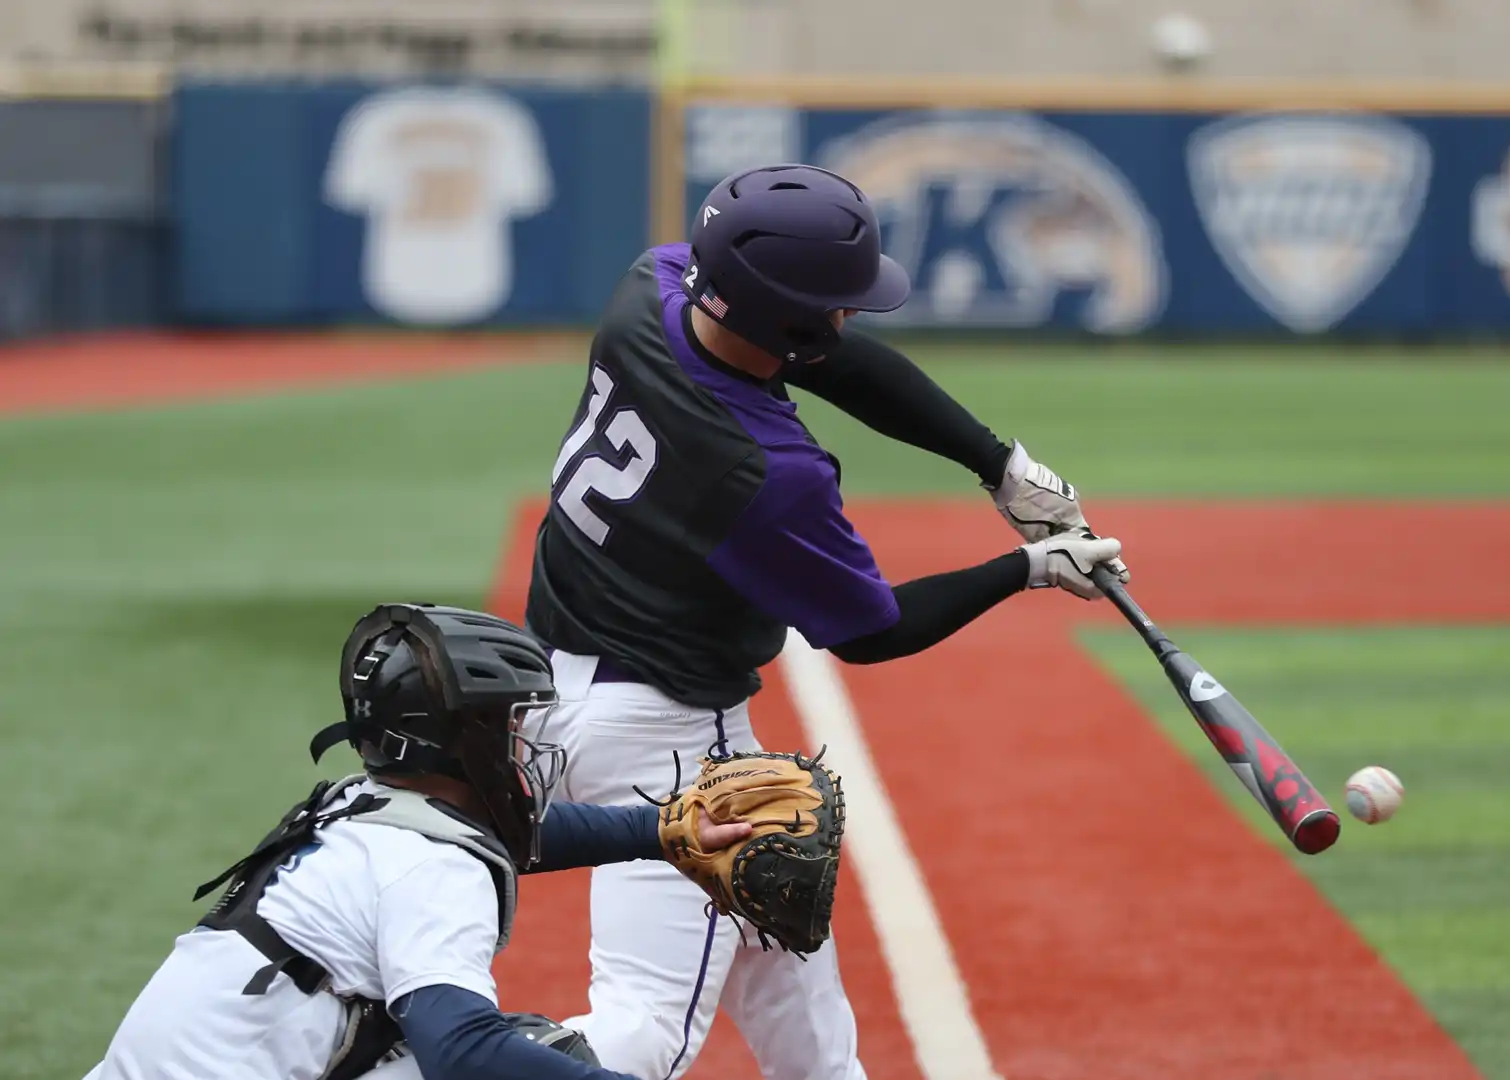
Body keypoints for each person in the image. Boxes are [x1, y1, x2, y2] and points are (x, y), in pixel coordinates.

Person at [526, 163, 1126, 1079]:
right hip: (666, 742)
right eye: (836, 303)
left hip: (551, 688)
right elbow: (870, 630)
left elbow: (821, 352)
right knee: (646, 1029)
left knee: (785, 960)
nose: (851, 316)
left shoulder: (650, 286)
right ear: (789, 320)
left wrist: (996, 464)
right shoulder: (765, 474)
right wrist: (1029, 567)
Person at [84, 603, 756, 1080]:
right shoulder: (433, 871)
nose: (518, 742)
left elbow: (516, 834)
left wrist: (666, 829)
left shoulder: (357, 804)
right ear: (457, 742)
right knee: (532, 1057)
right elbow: (458, 1049)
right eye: (504, 724)